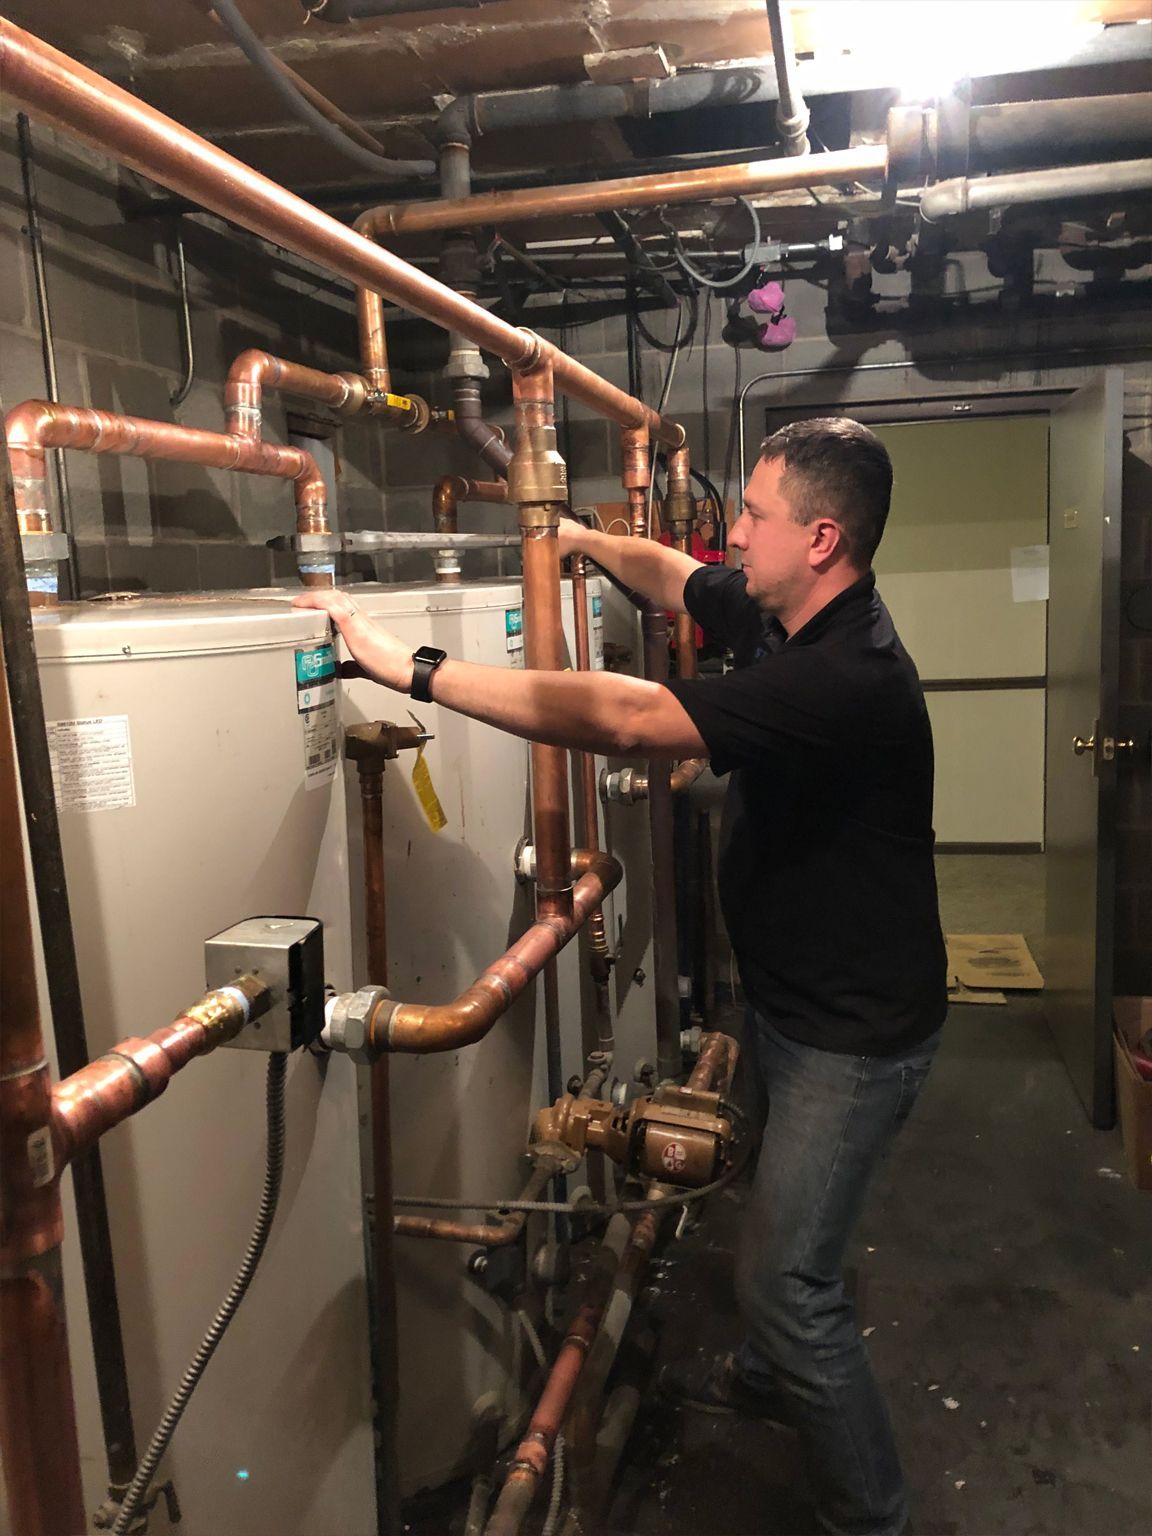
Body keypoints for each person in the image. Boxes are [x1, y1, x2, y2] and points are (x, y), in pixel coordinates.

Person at [295, 416, 947, 1536]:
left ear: (824, 538)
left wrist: (418, 671)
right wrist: (584, 543)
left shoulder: (848, 674)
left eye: (755, 513)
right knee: (792, 1235)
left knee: (789, 1287)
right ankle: (775, 1365)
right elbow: (678, 576)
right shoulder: (792, 610)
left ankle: (869, 1512)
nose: (732, 530)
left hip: (853, 1033)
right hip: (796, 1004)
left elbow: (629, 715)